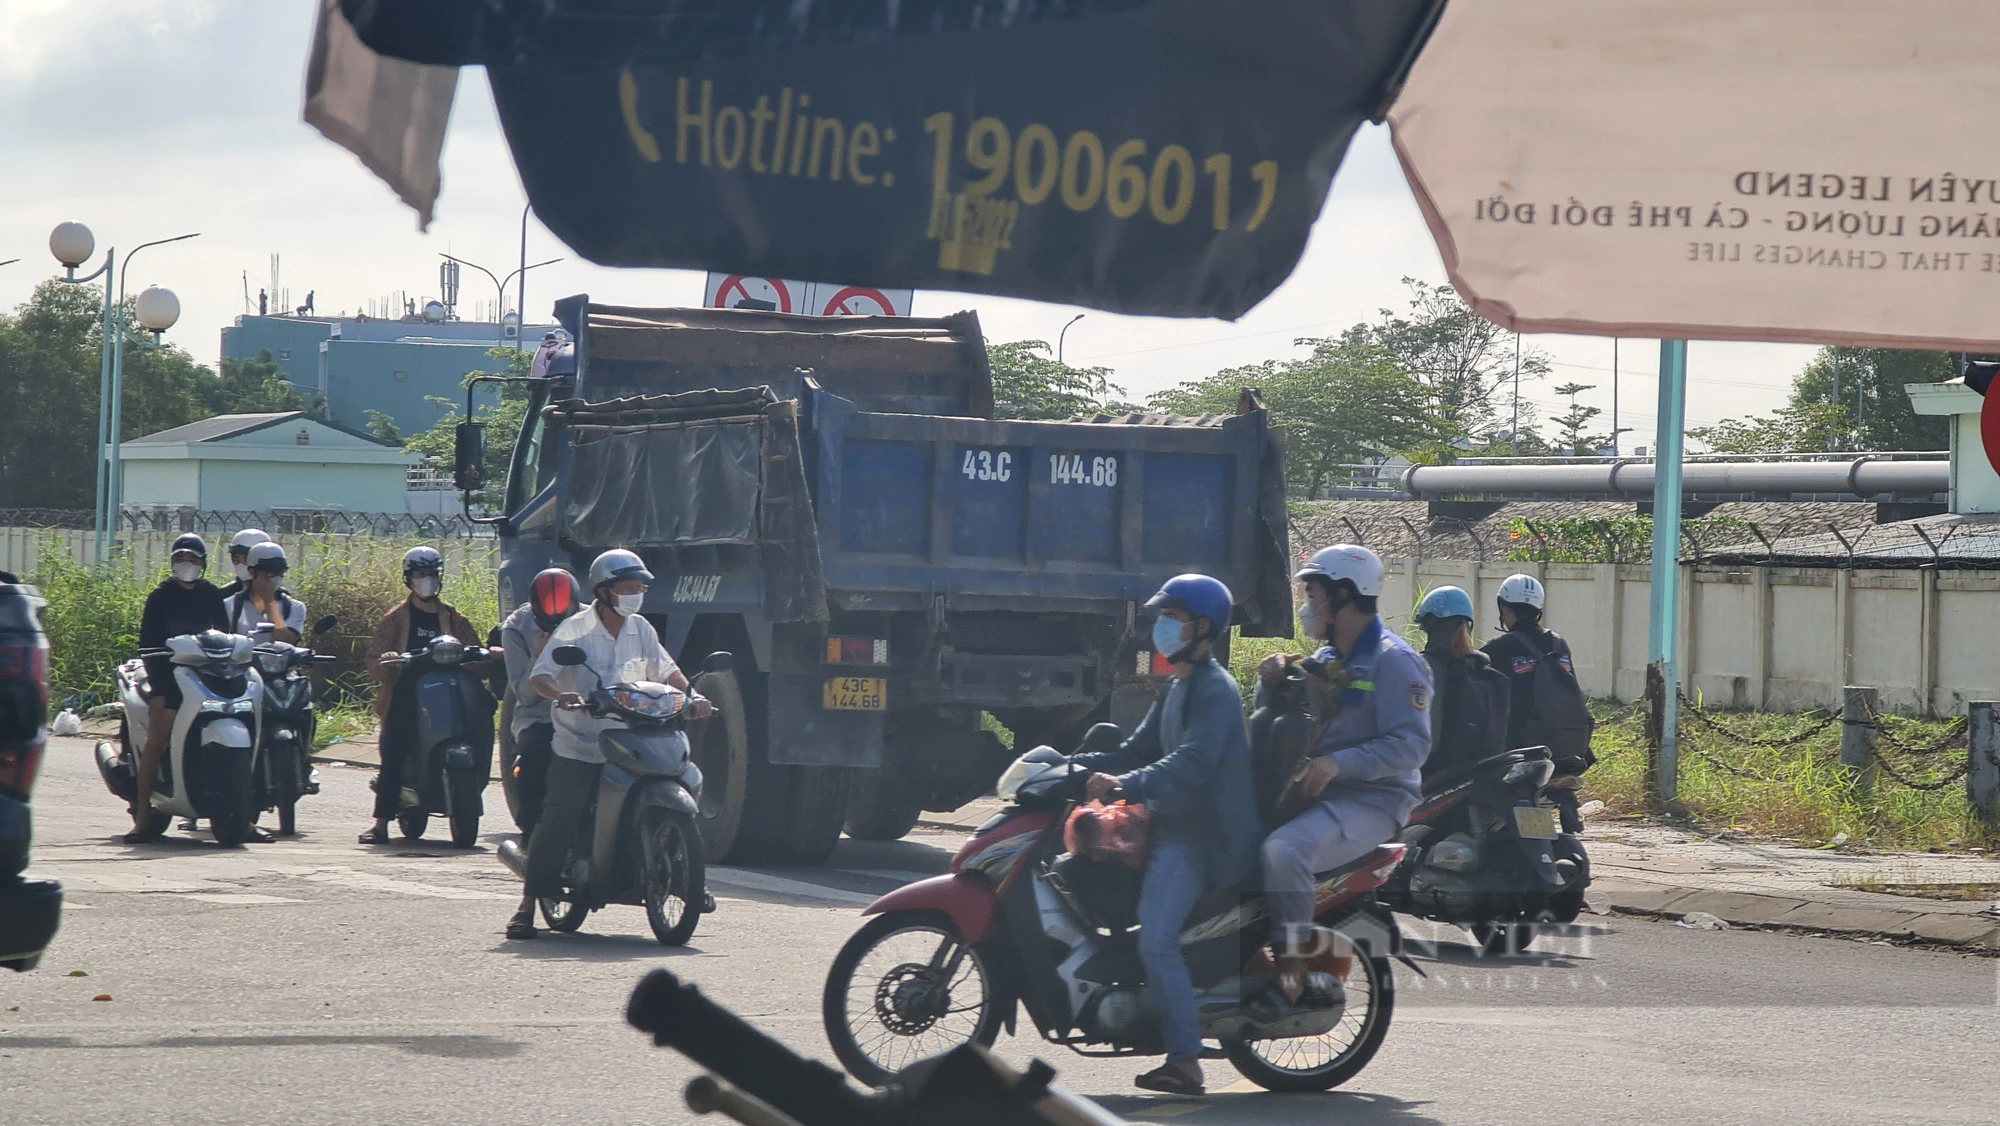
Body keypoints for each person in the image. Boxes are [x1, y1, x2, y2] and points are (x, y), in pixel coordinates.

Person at [1070, 574, 1260, 1097]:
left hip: (1200, 838)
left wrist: (1124, 784)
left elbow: (1190, 763)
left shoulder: (1215, 690)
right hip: (1169, 825)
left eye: (1172, 618)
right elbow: (1132, 749)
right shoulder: (1177, 685)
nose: (1162, 628)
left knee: (1156, 937)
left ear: (1203, 628)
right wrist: (1063, 765)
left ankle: (1185, 1061)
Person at [1256, 545, 1431, 1013]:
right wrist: (1269, 681)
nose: (1307, 603)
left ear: (1343, 594)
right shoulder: (1329, 657)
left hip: (1373, 801)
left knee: (1284, 851)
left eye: (1312, 592)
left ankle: (1291, 975)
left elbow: (1412, 745)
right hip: (1319, 793)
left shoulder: (1396, 662)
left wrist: (1339, 764)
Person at [507, 549, 712, 940]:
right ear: (603, 590)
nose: (636, 593)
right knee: (559, 816)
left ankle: (687, 879)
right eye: (628, 586)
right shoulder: (573, 630)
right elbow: (541, 675)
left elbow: (668, 670)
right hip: (581, 741)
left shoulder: (641, 628)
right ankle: (528, 904)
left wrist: (694, 696)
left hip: (635, 737)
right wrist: (559, 696)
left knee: (686, 777)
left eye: (640, 586)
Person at [360, 546, 482, 845]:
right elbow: (375, 661)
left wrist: (488, 655)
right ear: (409, 579)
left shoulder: (454, 617)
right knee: (395, 750)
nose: (426, 580)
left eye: (432, 574)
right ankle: (380, 824)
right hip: (407, 695)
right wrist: (388, 660)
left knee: (478, 723)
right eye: (420, 574)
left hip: (449, 693)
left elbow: (476, 652)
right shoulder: (396, 618)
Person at [128, 534, 230, 843]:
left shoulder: (212, 595)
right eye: (181, 559)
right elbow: (149, 646)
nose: (187, 564)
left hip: (205, 678)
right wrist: (161, 688)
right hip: (169, 676)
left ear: (204, 564)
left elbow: (225, 637)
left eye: (194, 559)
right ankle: (143, 815)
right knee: (158, 737)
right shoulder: (160, 596)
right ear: (172, 563)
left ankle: (241, 818)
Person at [1482, 573, 1595, 825]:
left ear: (1504, 607)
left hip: (1523, 746)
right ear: (1538, 609)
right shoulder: (1558, 644)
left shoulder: (1497, 649)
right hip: (1571, 745)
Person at [500, 568, 582, 842]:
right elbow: (524, 695)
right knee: (535, 752)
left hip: (586, 713)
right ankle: (532, 832)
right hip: (539, 716)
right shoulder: (515, 629)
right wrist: (539, 656)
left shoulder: (591, 620)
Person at [1413, 586, 1510, 778]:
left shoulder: (1421, 668)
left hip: (1430, 773)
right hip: (1483, 773)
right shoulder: (1489, 674)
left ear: (1430, 624)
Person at [224, 542, 305, 643]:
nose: (276, 579)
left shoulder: (294, 607)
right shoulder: (230, 605)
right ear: (252, 572)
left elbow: (286, 640)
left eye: (280, 574)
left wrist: (269, 602)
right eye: (270, 573)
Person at [220, 528, 271, 600]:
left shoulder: (281, 598)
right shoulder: (224, 595)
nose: (241, 564)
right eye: (236, 558)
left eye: (246, 559)